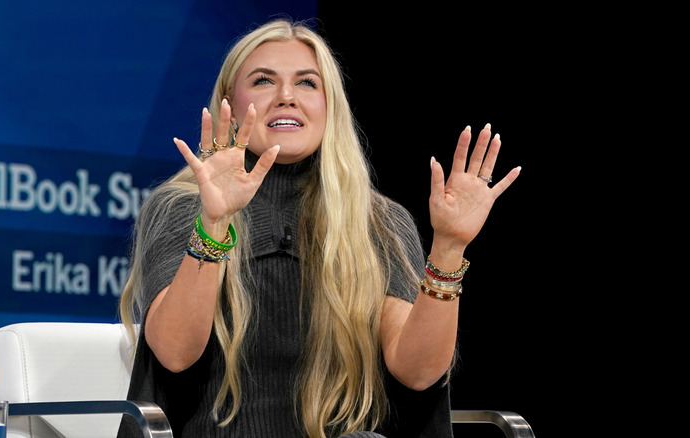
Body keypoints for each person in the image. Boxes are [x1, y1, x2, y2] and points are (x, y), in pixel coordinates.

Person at [117, 18, 520, 438]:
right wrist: (215, 222)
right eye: (263, 81)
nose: (286, 96)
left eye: (307, 83)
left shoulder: (379, 221)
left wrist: (450, 247)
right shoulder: (182, 206)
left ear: (330, 106)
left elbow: (417, 373)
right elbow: (175, 354)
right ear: (229, 106)